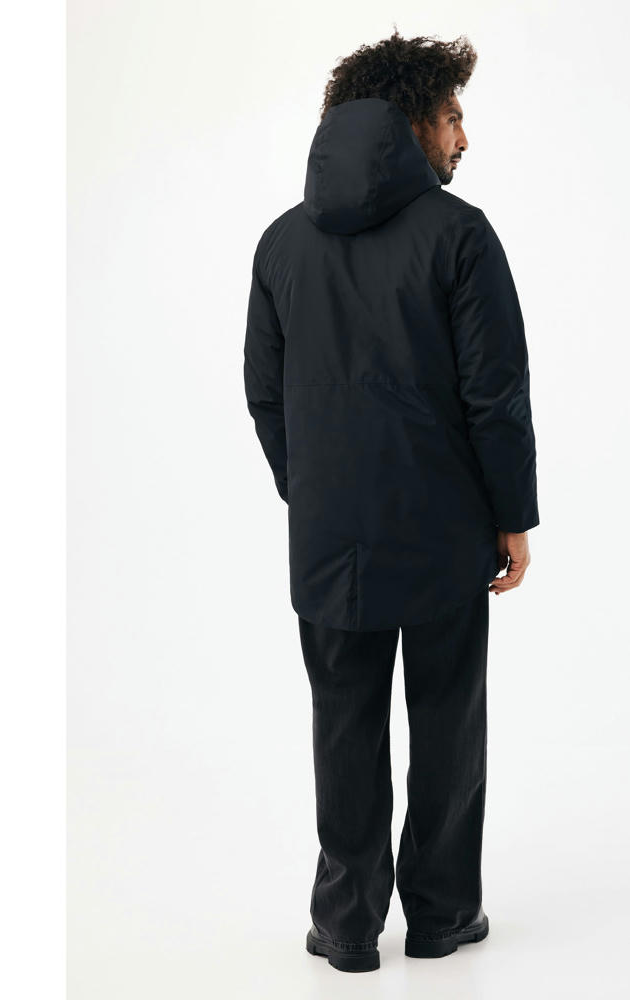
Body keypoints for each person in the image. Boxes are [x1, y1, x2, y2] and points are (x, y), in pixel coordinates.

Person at [244, 29, 539, 973]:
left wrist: (312, 490)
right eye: (452, 116)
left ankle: (346, 927)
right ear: (412, 122)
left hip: (330, 536)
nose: (463, 137)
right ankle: (443, 916)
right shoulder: (460, 235)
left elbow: (264, 394)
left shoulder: (282, 242)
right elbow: (496, 393)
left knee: (343, 722)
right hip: (446, 532)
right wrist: (512, 516)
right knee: (448, 721)